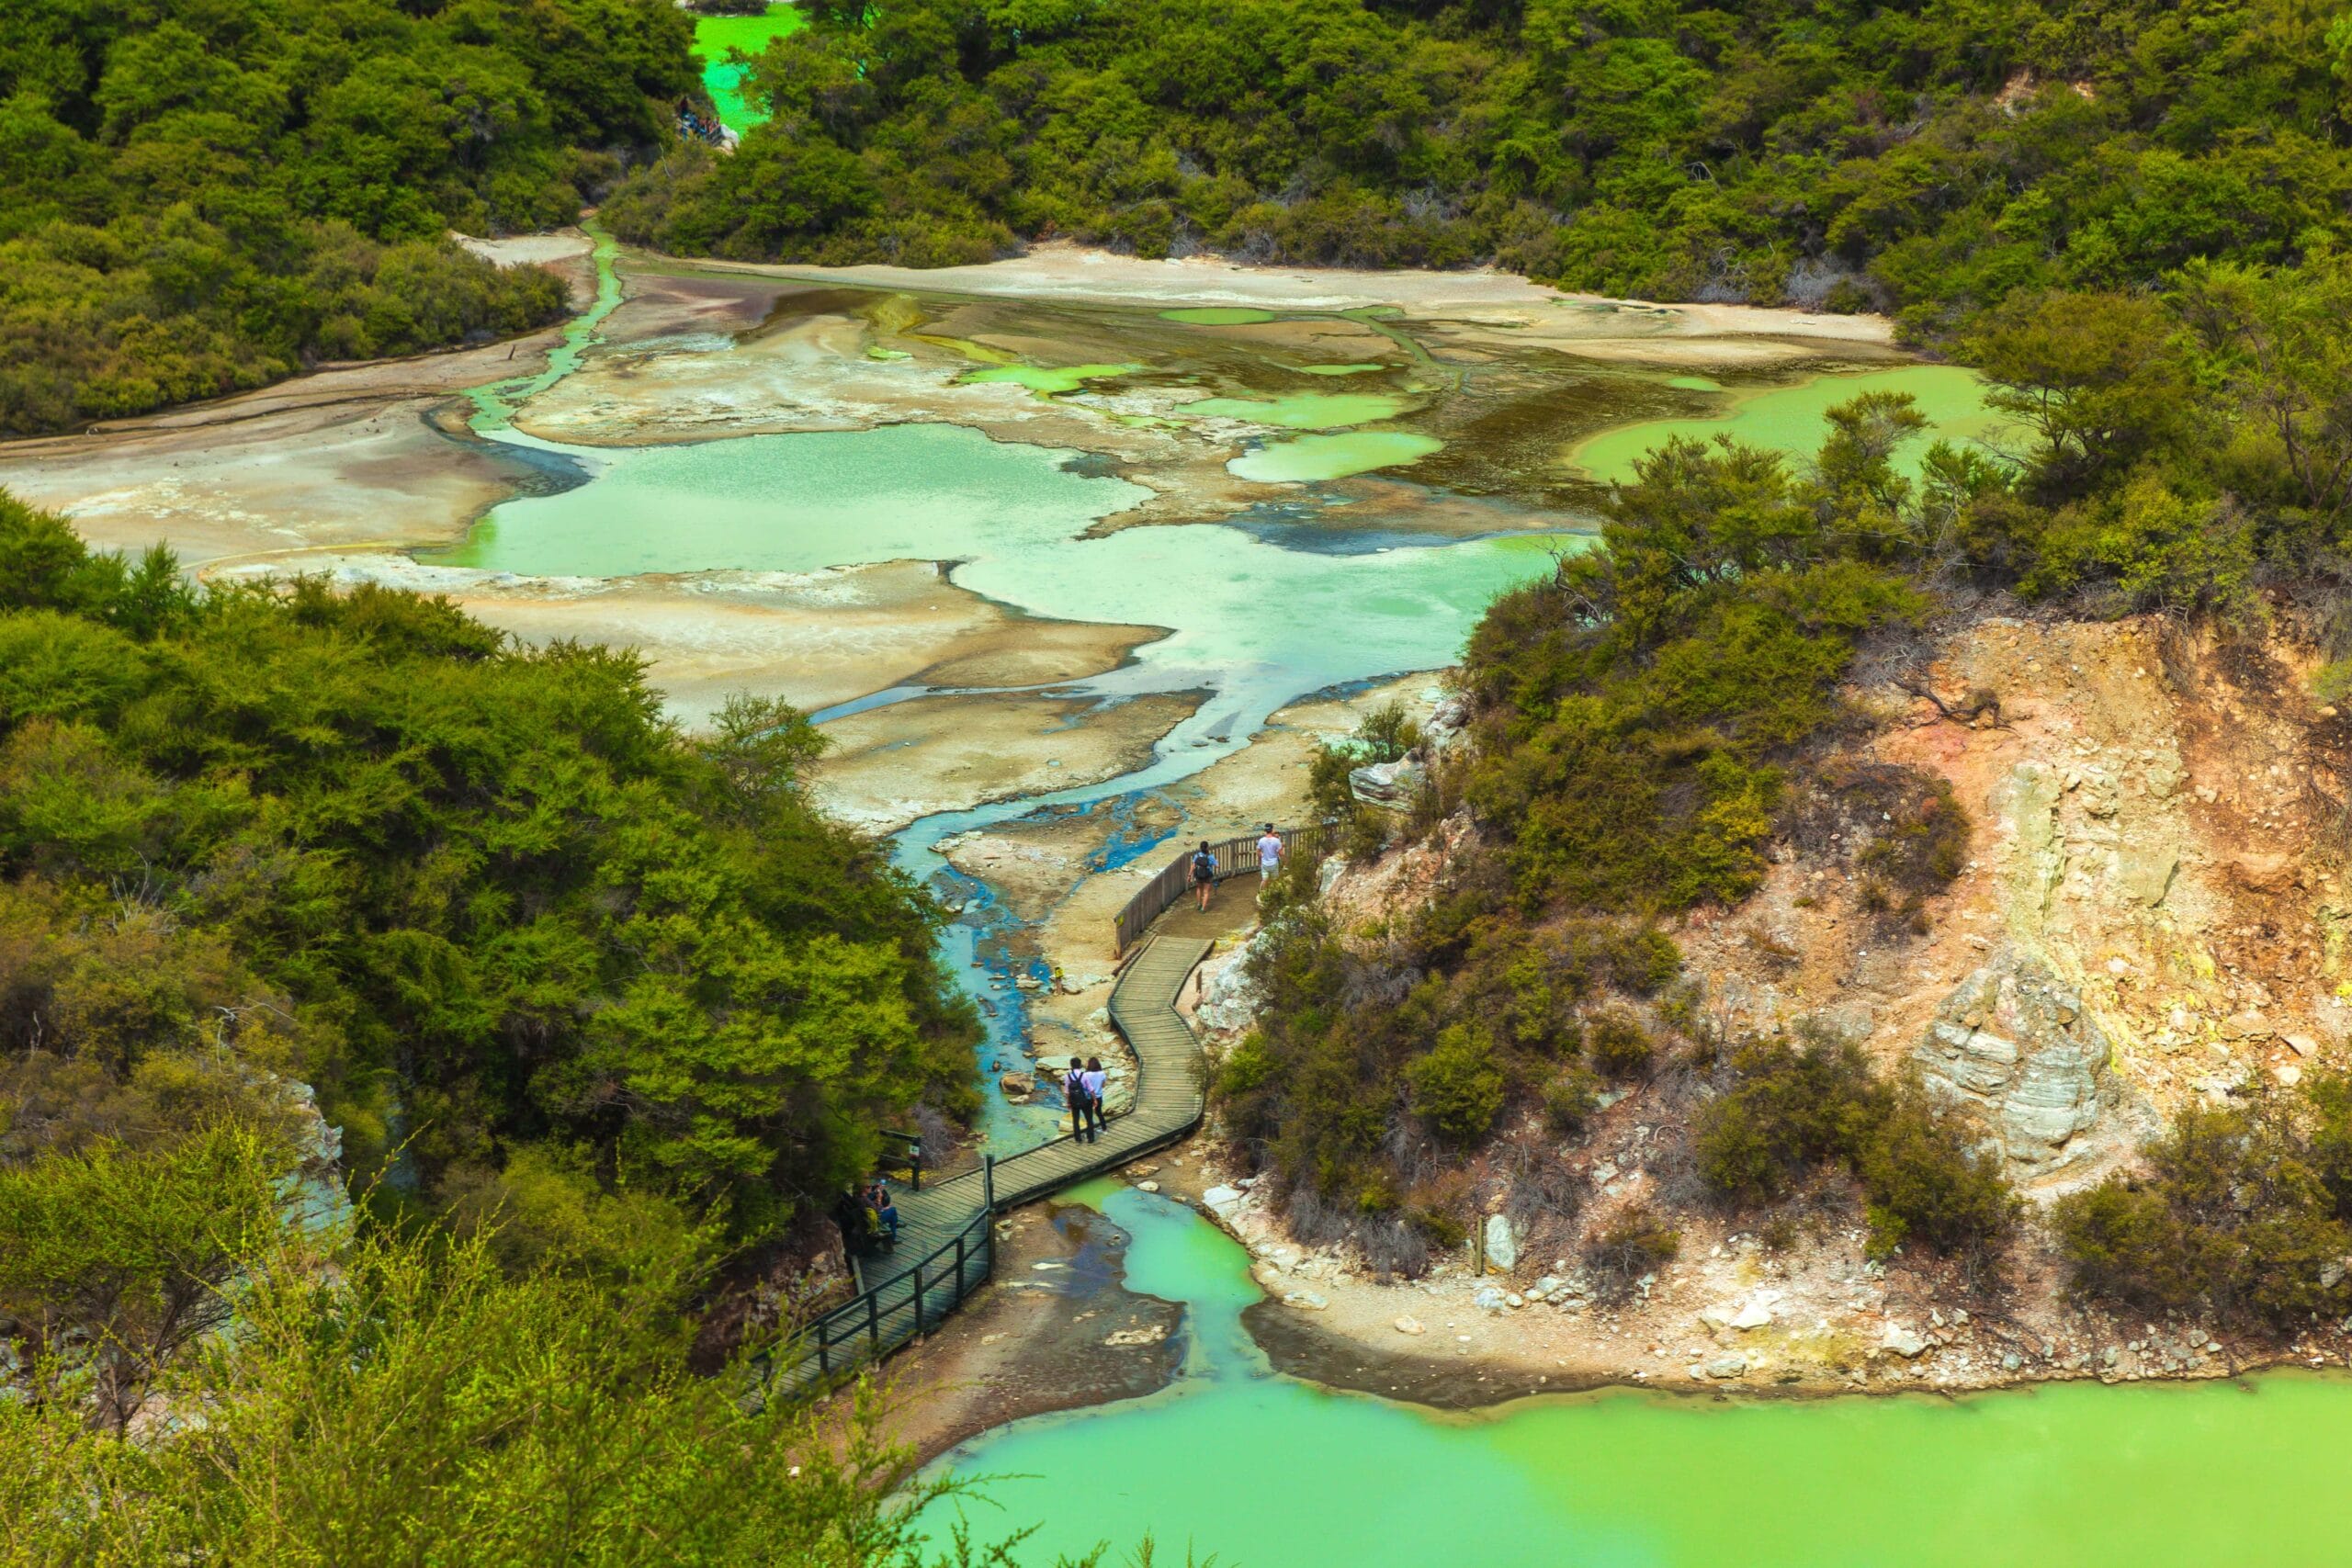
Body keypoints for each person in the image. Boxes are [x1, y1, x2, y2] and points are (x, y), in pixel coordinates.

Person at [1064, 1056, 1095, 1144]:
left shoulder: (1067, 1077)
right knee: (1089, 1119)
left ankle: (1078, 1138)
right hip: (1085, 1100)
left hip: (1074, 1101)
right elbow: (1091, 1089)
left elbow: (1067, 1092)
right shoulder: (1084, 1075)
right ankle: (1090, 1138)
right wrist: (1095, 1099)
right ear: (1080, 1065)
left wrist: (1068, 1102)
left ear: (1071, 1065)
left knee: (1076, 1120)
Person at [865, 1180, 899, 1245]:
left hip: (869, 1218)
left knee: (893, 1217)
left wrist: (874, 1192)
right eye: (868, 1187)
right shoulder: (865, 1199)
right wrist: (879, 1199)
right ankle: (892, 1238)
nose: (871, 1188)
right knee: (893, 1210)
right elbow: (878, 1210)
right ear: (863, 1189)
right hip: (876, 1220)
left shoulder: (862, 1197)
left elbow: (872, 1205)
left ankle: (893, 1237)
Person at [1081, 1056, 1108, 1140]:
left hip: (1088, 1097)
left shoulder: (1086, 1074)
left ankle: (1089, 1132)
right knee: (1099, 1113)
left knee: (1088, 1116)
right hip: (1099, 1096)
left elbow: (1084, 1086)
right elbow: (1103, 1085)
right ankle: (1104, 1129)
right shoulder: (1102, 1073)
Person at [1190, 839, 1217, 910]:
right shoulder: (1210, 856)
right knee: (1206, 892)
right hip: (1207, 875)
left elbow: (1193, 866)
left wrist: (1189, 875)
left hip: (1198, 874)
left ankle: (1199, 903)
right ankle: (1203, 909)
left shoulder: (1197, 855)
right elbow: (1217, 866)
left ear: (1200, 848)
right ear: (1207, 847)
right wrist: (1215, 861)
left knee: (1198, 888)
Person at [1257, 823, 1284, 888]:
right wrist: (1282, 847)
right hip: (1274, 863)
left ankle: (1261, 892)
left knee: (1264, 880)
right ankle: (1274, 894)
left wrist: (1260, 861)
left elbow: (1258, 852)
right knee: (1275, 880)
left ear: (1265, 830)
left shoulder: (1261, 840)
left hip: (1264, 863)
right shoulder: (1276, 841)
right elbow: (1281, 853)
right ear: (1272, 830)